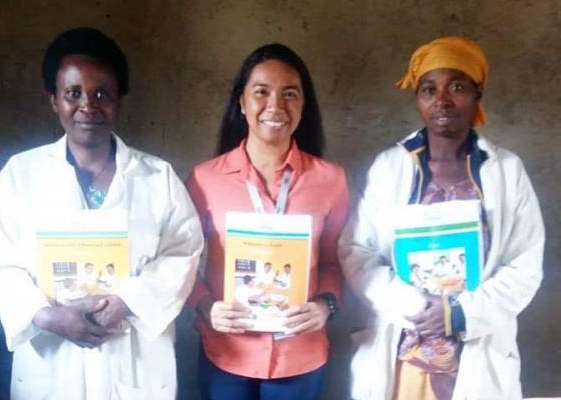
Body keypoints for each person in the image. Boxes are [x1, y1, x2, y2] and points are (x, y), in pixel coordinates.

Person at [0, 27, 203, 399]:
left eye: (102, 93)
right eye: (73, 93)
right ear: (54, 100)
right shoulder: (20, 174)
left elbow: (184, 251)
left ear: (119, 100)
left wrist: (129, 301)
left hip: (135, 361)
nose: (88, 105)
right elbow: (1, 263)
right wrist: (46, 315)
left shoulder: (157, 177)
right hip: (53, 362)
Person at [339, 36, 545, 400]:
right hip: (403, 355)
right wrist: (415, 306)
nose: (442, 100)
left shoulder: (506, 171)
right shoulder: (389, 168)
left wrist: (459, 314)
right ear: (418, 99)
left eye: (458, 86)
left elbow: (524, 266)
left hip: (477, 356)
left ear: (477, 93)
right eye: (428, 89)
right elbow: (358, 251)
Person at [186, 43, 349, 400]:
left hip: (300, 356)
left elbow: (336, 262)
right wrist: (205, 306)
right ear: (242, 104)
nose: (275, 106)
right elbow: (179, 262)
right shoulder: (203, 180)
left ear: (303, 106)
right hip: (226, 352)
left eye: (289, 94)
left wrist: (326, 305)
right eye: (261, 92)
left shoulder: (331, 180)